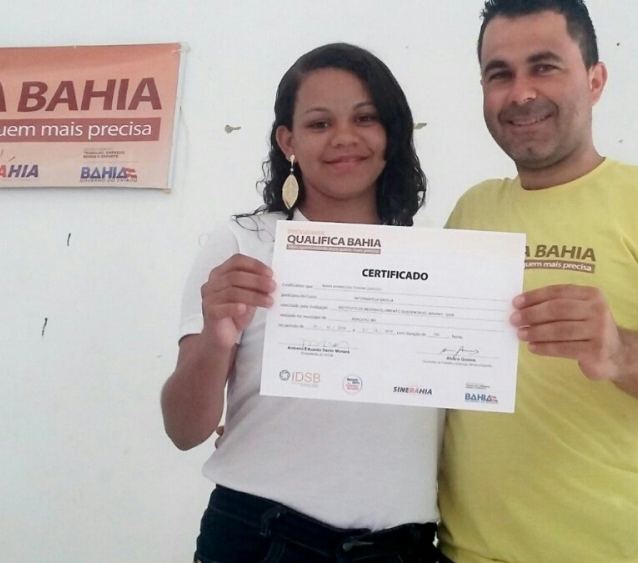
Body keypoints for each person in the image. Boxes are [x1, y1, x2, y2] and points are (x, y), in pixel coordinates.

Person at [437, 1, 638, 562]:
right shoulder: (471, 211)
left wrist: (620, 353)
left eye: (544, 66)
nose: (521, 92)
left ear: (595, 80)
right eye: (500, 74)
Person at [161, 43, 442, 563]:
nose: (344, 137)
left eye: (365, 118)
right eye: (319, 123)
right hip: (261, 537)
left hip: (402, 549)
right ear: (287, 140)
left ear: (392, 131)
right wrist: (216, 339)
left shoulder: (438, 261)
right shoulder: (242, 244)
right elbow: (183, 430)